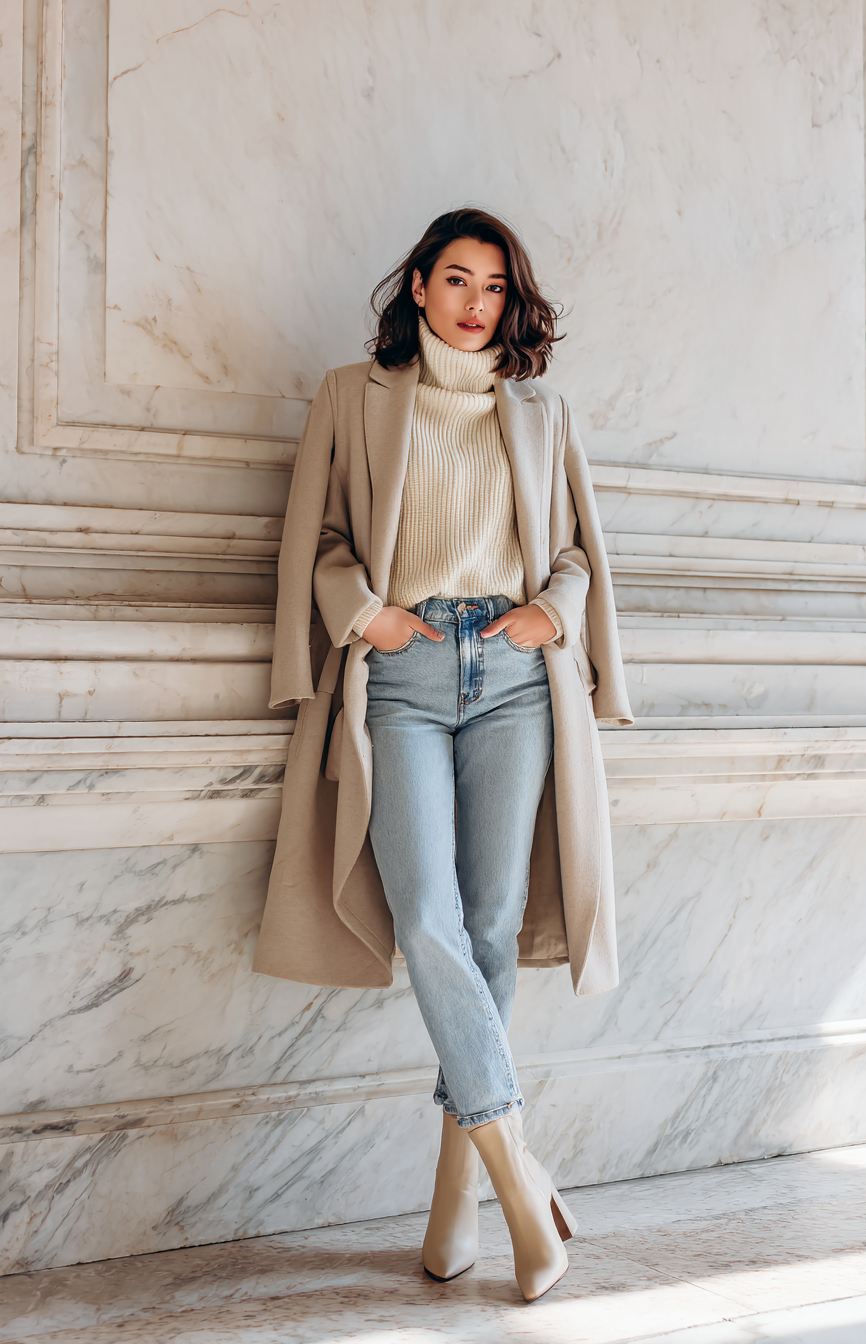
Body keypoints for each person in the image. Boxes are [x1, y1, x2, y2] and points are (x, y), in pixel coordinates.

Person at [253, 208, 633, 1302]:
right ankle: (520, 1185)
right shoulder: (352, 396)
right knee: (425, 918)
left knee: (485, 927)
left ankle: (450, 1202)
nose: (475, 303)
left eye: (494, 288)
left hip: (513, 678)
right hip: (405, 674)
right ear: (416, 288)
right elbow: (318, 536)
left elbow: (570, 552)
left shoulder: (540, 409)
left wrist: (548, 615)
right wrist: (361, 612)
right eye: (455, 280)